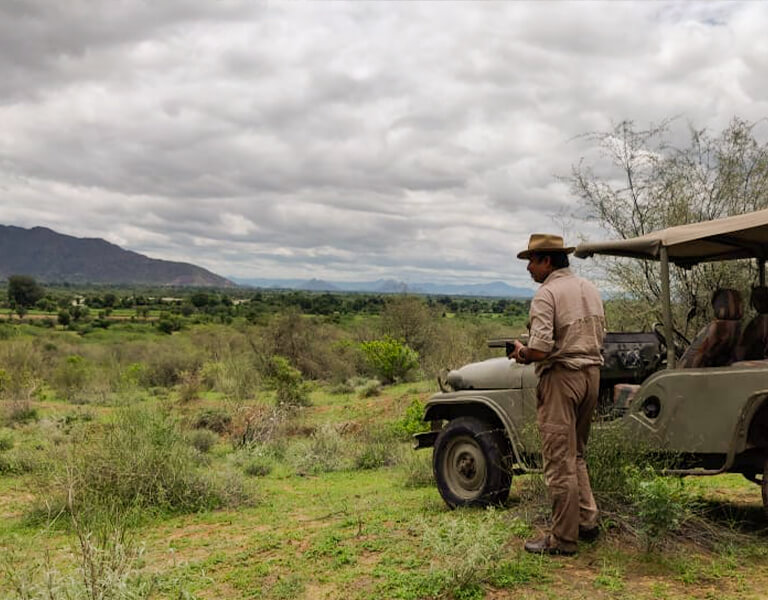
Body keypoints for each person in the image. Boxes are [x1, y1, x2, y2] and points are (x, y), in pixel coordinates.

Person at [509, 233, 605, 556]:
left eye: (532, 261)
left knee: (558, 460)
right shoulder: (589, 289)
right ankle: (587, 520)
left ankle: (563, 539)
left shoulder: (546, 294)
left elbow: (541, 348)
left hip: (562, 379)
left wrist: (521, 352)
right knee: (576, 454)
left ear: (547, 261)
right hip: (592, 376)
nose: (529, 269)